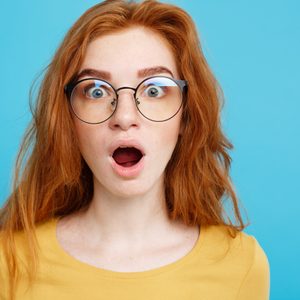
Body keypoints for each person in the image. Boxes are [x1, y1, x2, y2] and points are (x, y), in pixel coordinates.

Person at [0, 0, 270, 299]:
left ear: (186, 115)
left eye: (154, 90)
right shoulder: (8, 260)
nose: (124, 118)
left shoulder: (242, 264)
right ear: (68, 118)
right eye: (96, 90)